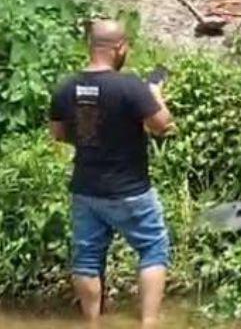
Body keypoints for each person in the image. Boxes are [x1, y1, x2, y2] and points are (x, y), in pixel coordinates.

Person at [49, 20, 174, 326]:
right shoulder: (130, 85)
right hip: (130, 190)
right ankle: (149, 323)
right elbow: (163, 125)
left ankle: (91, 323)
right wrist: (154, 91)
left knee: (87, 259)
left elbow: (58, 134)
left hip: (86, 191)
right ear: (119, 47)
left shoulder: (66, 87)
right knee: (152, 248)